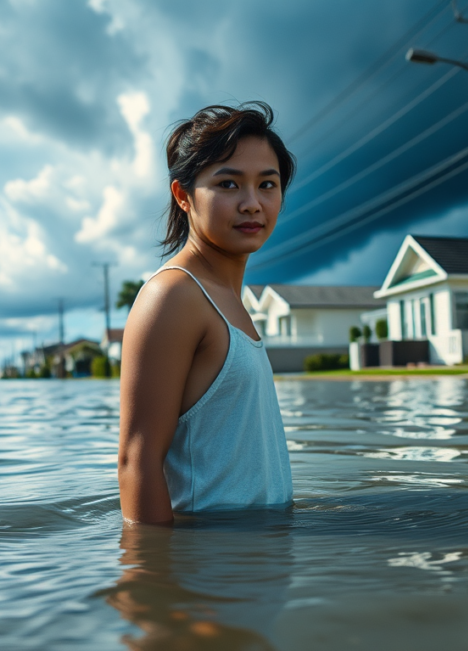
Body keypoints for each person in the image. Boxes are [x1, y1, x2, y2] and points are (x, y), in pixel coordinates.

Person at [118, 102, 296, 524]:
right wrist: (155, 581)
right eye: (228, 184)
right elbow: (135, 464)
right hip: (214, 573)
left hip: (255, 563)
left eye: (267, 185)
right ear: (183, 196)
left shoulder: (229, 299)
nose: (252, 203)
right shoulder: (173, 296)